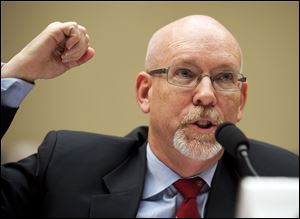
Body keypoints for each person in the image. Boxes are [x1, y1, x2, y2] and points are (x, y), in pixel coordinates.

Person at [1, 16, 298, 218]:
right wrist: (17, 74)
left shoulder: (283, 179)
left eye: (224, 77)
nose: (207, 95)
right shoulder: (66, 166)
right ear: (145, 92)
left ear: (241, 100)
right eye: (185, 73)